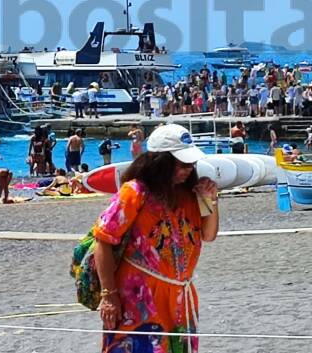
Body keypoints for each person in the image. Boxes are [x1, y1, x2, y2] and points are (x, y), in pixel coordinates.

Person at [93, 124, 219, 353]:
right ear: (161, 162)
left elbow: (208, 235)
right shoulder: (134, 192)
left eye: (192, 164)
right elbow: (102, 241)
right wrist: (109, 296)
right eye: (183, 164)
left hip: (180, 297)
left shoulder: (190, 195)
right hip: (139, 298)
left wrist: (210, 200)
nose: (189, 169)